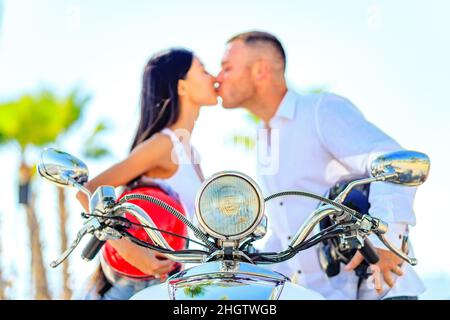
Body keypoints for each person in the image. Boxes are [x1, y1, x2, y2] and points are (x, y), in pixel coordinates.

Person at [215, 30, 424, 300]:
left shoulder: (319, 110)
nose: (218, 78)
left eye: (227, 68)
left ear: (260, 70)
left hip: (380, 291)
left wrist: (387, 240)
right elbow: (286, 234)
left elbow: (392, 159)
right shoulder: (265, 137)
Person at [73, 48, 217, 299]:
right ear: (181, 87)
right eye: (203, 70)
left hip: (166, 286)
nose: (213, 77)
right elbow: (88, 192)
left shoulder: (190, 153)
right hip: (129, 289)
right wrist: (129, 250)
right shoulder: (164, 144)